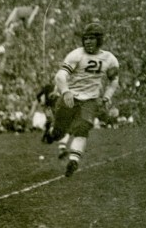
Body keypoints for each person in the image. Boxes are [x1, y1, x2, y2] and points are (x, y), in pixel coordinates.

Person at [51, 22, 119, 177]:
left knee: (83, 129)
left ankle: (74, 160)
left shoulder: (109, 59)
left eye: (92, 38)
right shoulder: (76, 55)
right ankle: (54, 134)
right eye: (86, 38)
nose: (88, 41)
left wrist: (107, 97)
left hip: (90, 100)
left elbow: (114, 81)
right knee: (59, 132)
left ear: (99, 40)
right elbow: (60, 76)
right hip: (70, 97)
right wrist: (65, 91)